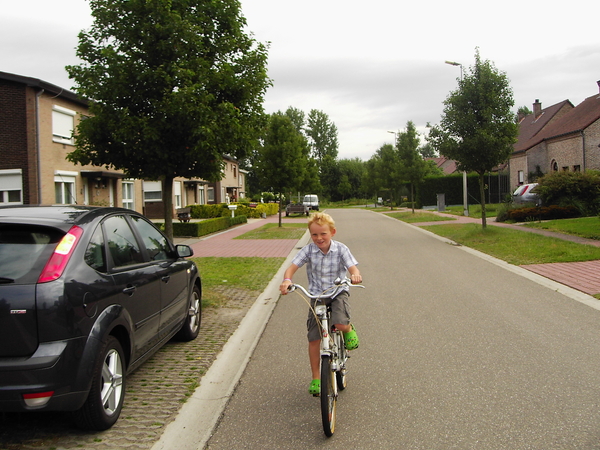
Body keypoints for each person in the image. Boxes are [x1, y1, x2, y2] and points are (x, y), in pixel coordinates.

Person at [279, 212, 362, 396]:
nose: (319, 238)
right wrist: (287, 280)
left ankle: (347, 329)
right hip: (317, 295)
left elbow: (352, 267)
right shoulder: (308, 250)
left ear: (332, 232)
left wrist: (355, 274)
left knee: (340, 323)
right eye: (315, 234)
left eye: (323, 234)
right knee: (314, 338)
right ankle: (316, 377)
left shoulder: (340, 249)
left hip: (337, 291)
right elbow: (292, 267)